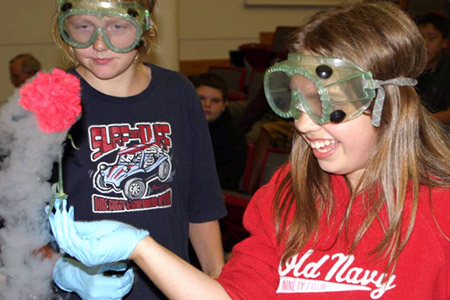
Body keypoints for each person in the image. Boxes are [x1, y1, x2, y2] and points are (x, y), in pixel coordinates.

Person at [49, 2, 450, 299]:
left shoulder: (440, 214)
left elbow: (199, 198)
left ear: (388, 101)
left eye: (331, 103)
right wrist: (141, 246)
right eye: (298, 101)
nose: (304, 123)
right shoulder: (286, 195)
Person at [49, 0, 227, 299]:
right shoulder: (49, 99)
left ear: (144, 27)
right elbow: (19, 223)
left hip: (167, 288)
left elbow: (202, 202)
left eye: (117, 27)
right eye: (84, 27)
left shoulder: (178, 92)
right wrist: (65, 274)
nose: (99, 45)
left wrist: (216, 278)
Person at [189, 73, 247, 191]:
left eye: (215, 101)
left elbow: (227, 178)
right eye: (201, 98)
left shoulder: (233, 136)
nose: (207, 105)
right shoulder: (180, 124)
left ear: (224, 105)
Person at [416, 12, 450, 125]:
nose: (424, 44)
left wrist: (420, 121)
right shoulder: (410, 66)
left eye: (431, 38)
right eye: (420, 37)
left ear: (444, 43)